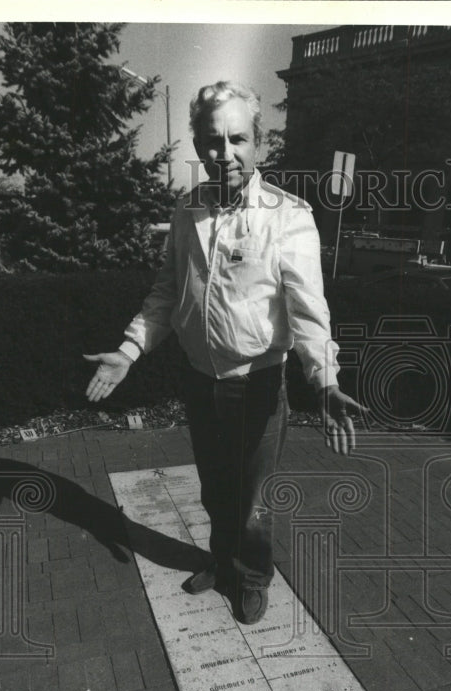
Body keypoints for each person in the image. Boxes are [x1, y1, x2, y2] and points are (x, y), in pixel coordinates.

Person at [85, 80, 366, 625]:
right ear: (197, 143)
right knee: (216, 488)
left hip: (257, 383)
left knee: (252, 498)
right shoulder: (189, 210)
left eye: (238, 139)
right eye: (213, 140)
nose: (226, 153)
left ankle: (253, 576)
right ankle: (222, 560)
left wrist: (325, 380)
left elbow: (309, 311)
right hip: (199, 380)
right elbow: (167, 294)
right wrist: (128, 348)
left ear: (258, 143)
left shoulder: (288, 215)